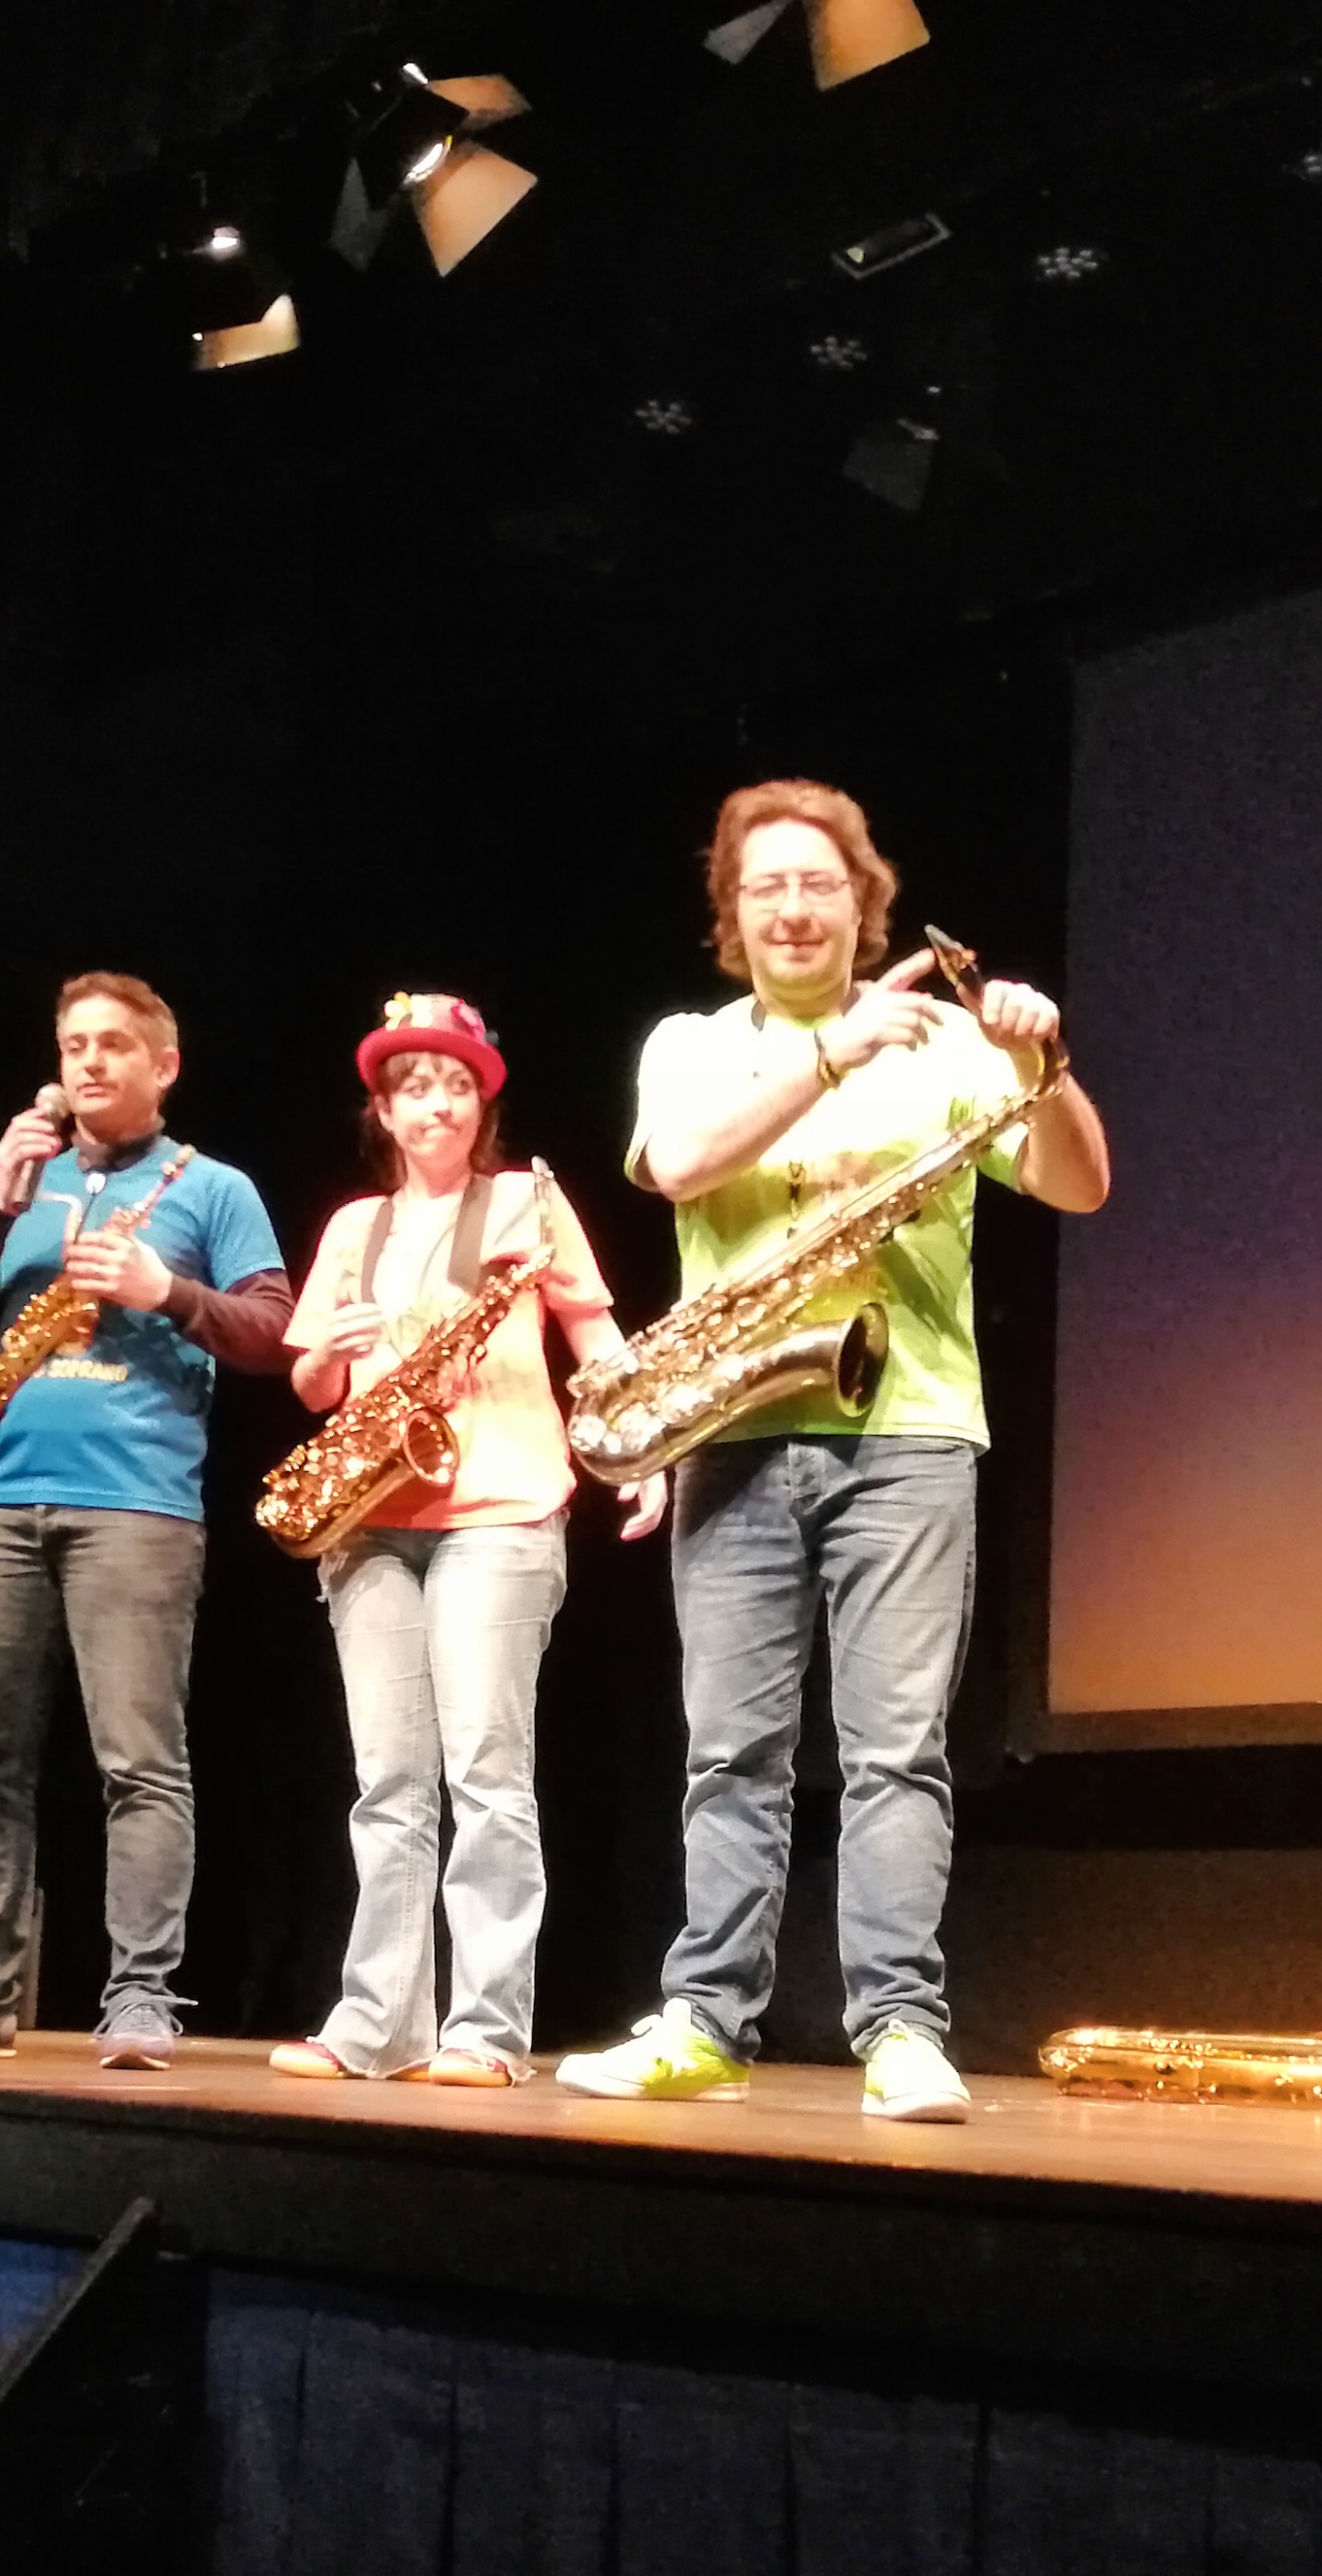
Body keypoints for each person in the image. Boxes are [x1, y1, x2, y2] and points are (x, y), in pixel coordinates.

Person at [553, 782, 1109, 2122]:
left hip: (910, 1427)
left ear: (866, 906)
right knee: (729, 1754)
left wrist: (1045, 1063)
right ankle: (705, 2020)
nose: (794, 908)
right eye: (767, 888)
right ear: (733, 915)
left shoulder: (946, 1042)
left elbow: (1081, 1184)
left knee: (896, 1751)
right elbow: (679, 1163)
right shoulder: (692, 1044)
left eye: (820, 885)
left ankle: (901, 2028)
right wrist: (831, 1057)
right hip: (735, 1428)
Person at [0, 972, 288, 2069]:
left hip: (137, 1506)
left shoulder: (212, 1188)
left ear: (163, 1066)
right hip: (1, 1498)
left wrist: (164, 1290)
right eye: (73, 1044)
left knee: (138, 1763)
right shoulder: (28, 1179)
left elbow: (272, 1333)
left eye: (112, 1045)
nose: (88, 1062)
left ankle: (139, 1998)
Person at [271, 996, 668, 2087]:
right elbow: (311, 1384)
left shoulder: (528, 1200)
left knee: (488, 1775)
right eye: (412, 1088)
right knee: (387, 1784)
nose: (433, 1104)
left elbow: (592, 1329)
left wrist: (643, 1445)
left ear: (481, 1103)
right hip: (370, 1521)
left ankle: (485, 2031)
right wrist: (328, 1351)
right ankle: (377, 2023)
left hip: (499, 1509)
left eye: (454, 1085)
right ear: (383, 1111)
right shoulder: (355, 1226)